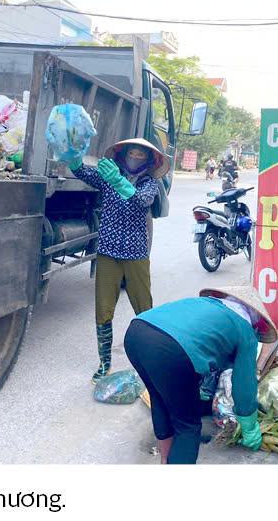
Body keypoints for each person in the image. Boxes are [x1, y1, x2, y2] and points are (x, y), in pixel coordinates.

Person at [124, 287, 278, 464]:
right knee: (188, 426)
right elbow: (244, 385)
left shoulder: (207, 305)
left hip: (137, 331)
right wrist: (250, 426)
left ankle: (165, 460)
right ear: (255, 319)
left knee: (159, 399)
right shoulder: (245, 329)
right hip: (169, 350)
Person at [71, 139, 167, 382]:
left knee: (144, 310)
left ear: (148, 160)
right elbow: (82, 172)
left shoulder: (150, 183)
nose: (135, 157)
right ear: (123, 155)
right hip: (108, 253)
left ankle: (151, 363)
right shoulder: (108, 176)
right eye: (131, 153)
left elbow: (139, 202)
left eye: (140, 155)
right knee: (103, 311)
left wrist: (118, 181)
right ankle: (105, 364)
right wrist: (73, 157)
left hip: (136, 255)